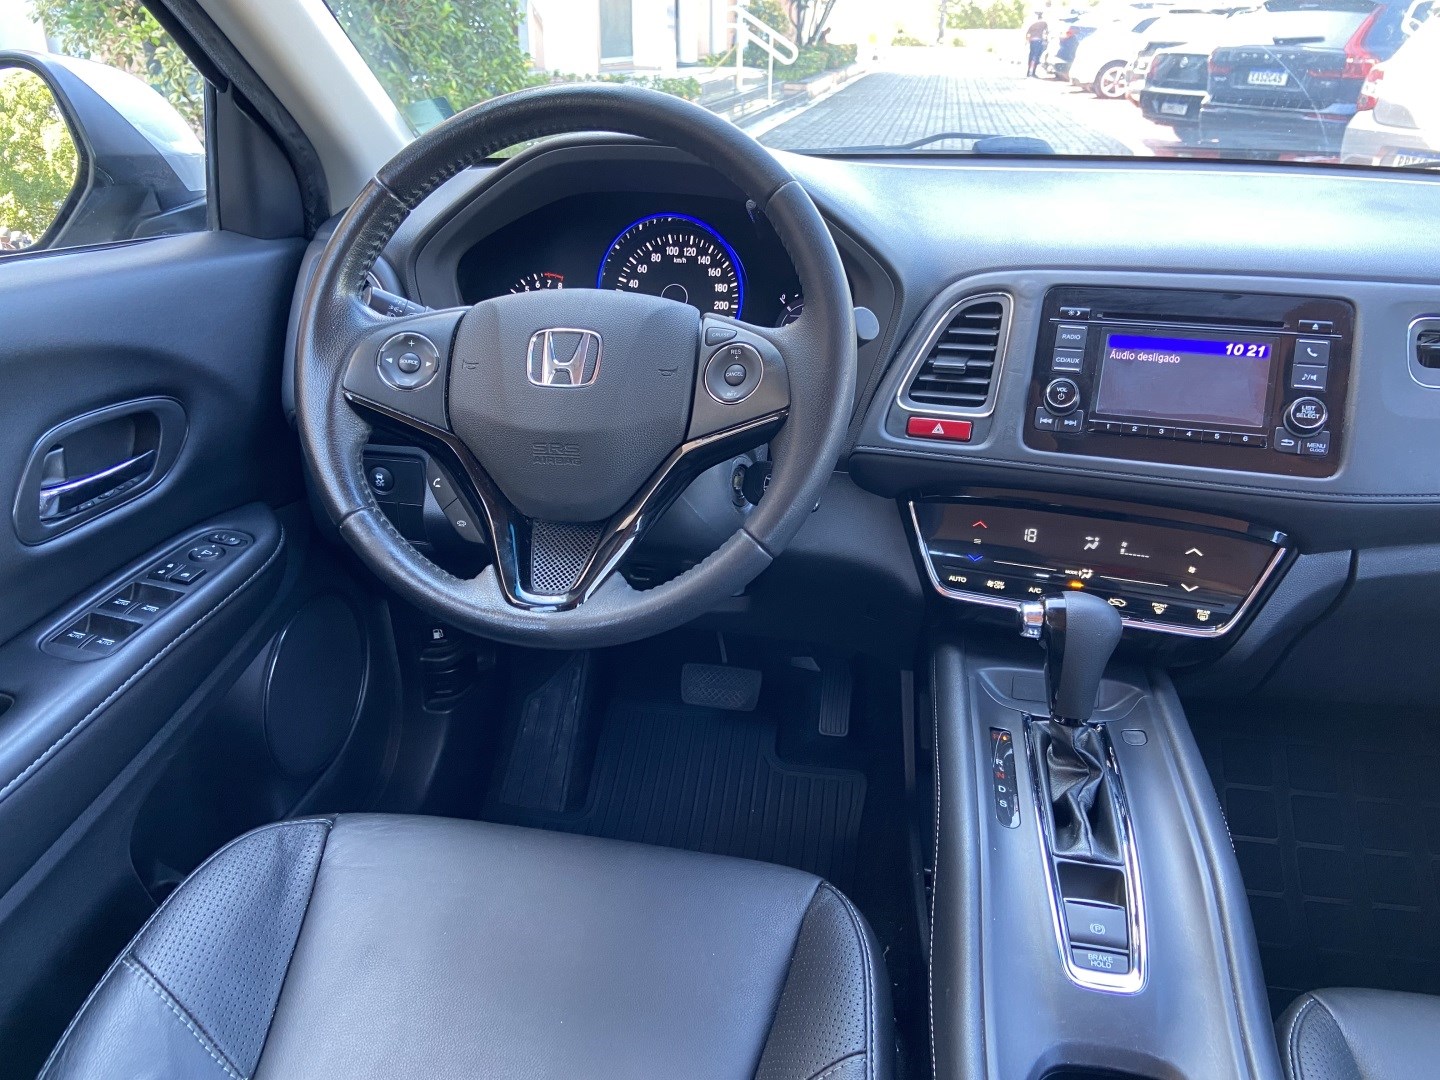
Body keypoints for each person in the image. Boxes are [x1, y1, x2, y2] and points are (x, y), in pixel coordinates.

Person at [1024, 11, 1049, 78]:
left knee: (1032, 56)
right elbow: (1046, 32)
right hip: (1039, 41)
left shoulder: (1033, 24)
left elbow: (1028, 33)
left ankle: (1029, 72)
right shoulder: (1044, 23)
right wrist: (1046, 40)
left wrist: (1027, 40)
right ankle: (1033, 72)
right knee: (1037, 56)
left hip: (1032, 41)